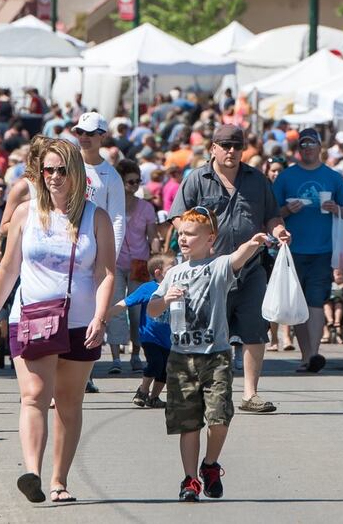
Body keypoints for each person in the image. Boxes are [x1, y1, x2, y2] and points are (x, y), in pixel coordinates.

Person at [0, 136, 116, 506]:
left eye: (61, 170)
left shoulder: (96, 217)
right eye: (48, 170)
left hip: (79, 320)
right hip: (31, 316)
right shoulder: (26, 212)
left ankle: (59, 480)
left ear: (75, 173)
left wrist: (101, 316)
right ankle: (33, 473)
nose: (54, 177)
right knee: (35, 395)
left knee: (69, 402)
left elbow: (106, 272)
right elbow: (9, 268)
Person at [151, 209, 273, 502]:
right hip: (181, 358)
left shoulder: (218, 266)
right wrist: (164, 299)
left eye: (191, 234)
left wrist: (254, 242)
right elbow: (153, 309)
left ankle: (210, 465)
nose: (183, 238)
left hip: (215, 356)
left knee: (218, 417)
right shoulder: (174, 273)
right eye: (181, 234)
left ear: (210, 239)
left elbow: (237, 257)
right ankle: (190, 479)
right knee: (188, 423)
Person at [170, 124, 290, 411]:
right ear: (213, 148)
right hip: (210, 269)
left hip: (251, 266)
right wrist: (195, 239)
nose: (231, 151)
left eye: (236, 146)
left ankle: (250, 394)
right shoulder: (197, 179)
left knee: (254, 330)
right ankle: (205, 388)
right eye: (225, 145)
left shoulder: (257, 180)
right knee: (210, 331)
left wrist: (280, 230)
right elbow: (177, 217)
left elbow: (272, 216)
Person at [272, 127, 343, 374]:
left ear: (320, 148)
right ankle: (306, 356)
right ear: (298, 150)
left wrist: (335, 208)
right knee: (299, 304)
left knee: (316, 302)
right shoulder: (286, 177)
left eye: (311, 144)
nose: (307, 149)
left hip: (323, 250)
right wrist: (287, 211)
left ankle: (314, 353)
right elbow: (271, 214)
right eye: (303, 145)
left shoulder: (333, 177)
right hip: (292, 249)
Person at [70, 113, 129, 379]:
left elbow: (117, 218)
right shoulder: (68, 167)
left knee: (93, 310)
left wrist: (110, 257)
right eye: (80, 132)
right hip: (68, 247)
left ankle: (86, 373)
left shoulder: (111, 176)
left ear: (102, 136)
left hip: (96, 249)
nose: (84, 138)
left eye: (90, 134)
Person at [110, 253, 173, 407]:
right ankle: (143, 391)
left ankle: (154, 397)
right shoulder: (149, 288)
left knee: (165, 370)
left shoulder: (177, 288)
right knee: (156, 363)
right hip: (150, 337)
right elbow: (126, 303)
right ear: (159, 273)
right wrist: (102, 317)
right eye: (173, 268)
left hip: (169, 340)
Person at [116, 159, 158, 374]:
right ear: (120, 181)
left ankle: (135, 353)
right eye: (130, 182)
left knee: (136, 311)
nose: (134, 186)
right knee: (114, 308)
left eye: (137, 182)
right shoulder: (111, 204)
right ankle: (115, 357)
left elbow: (152, 236)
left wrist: (157, 254)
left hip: (139, 262)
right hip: (113, 262)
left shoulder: (146, 207)